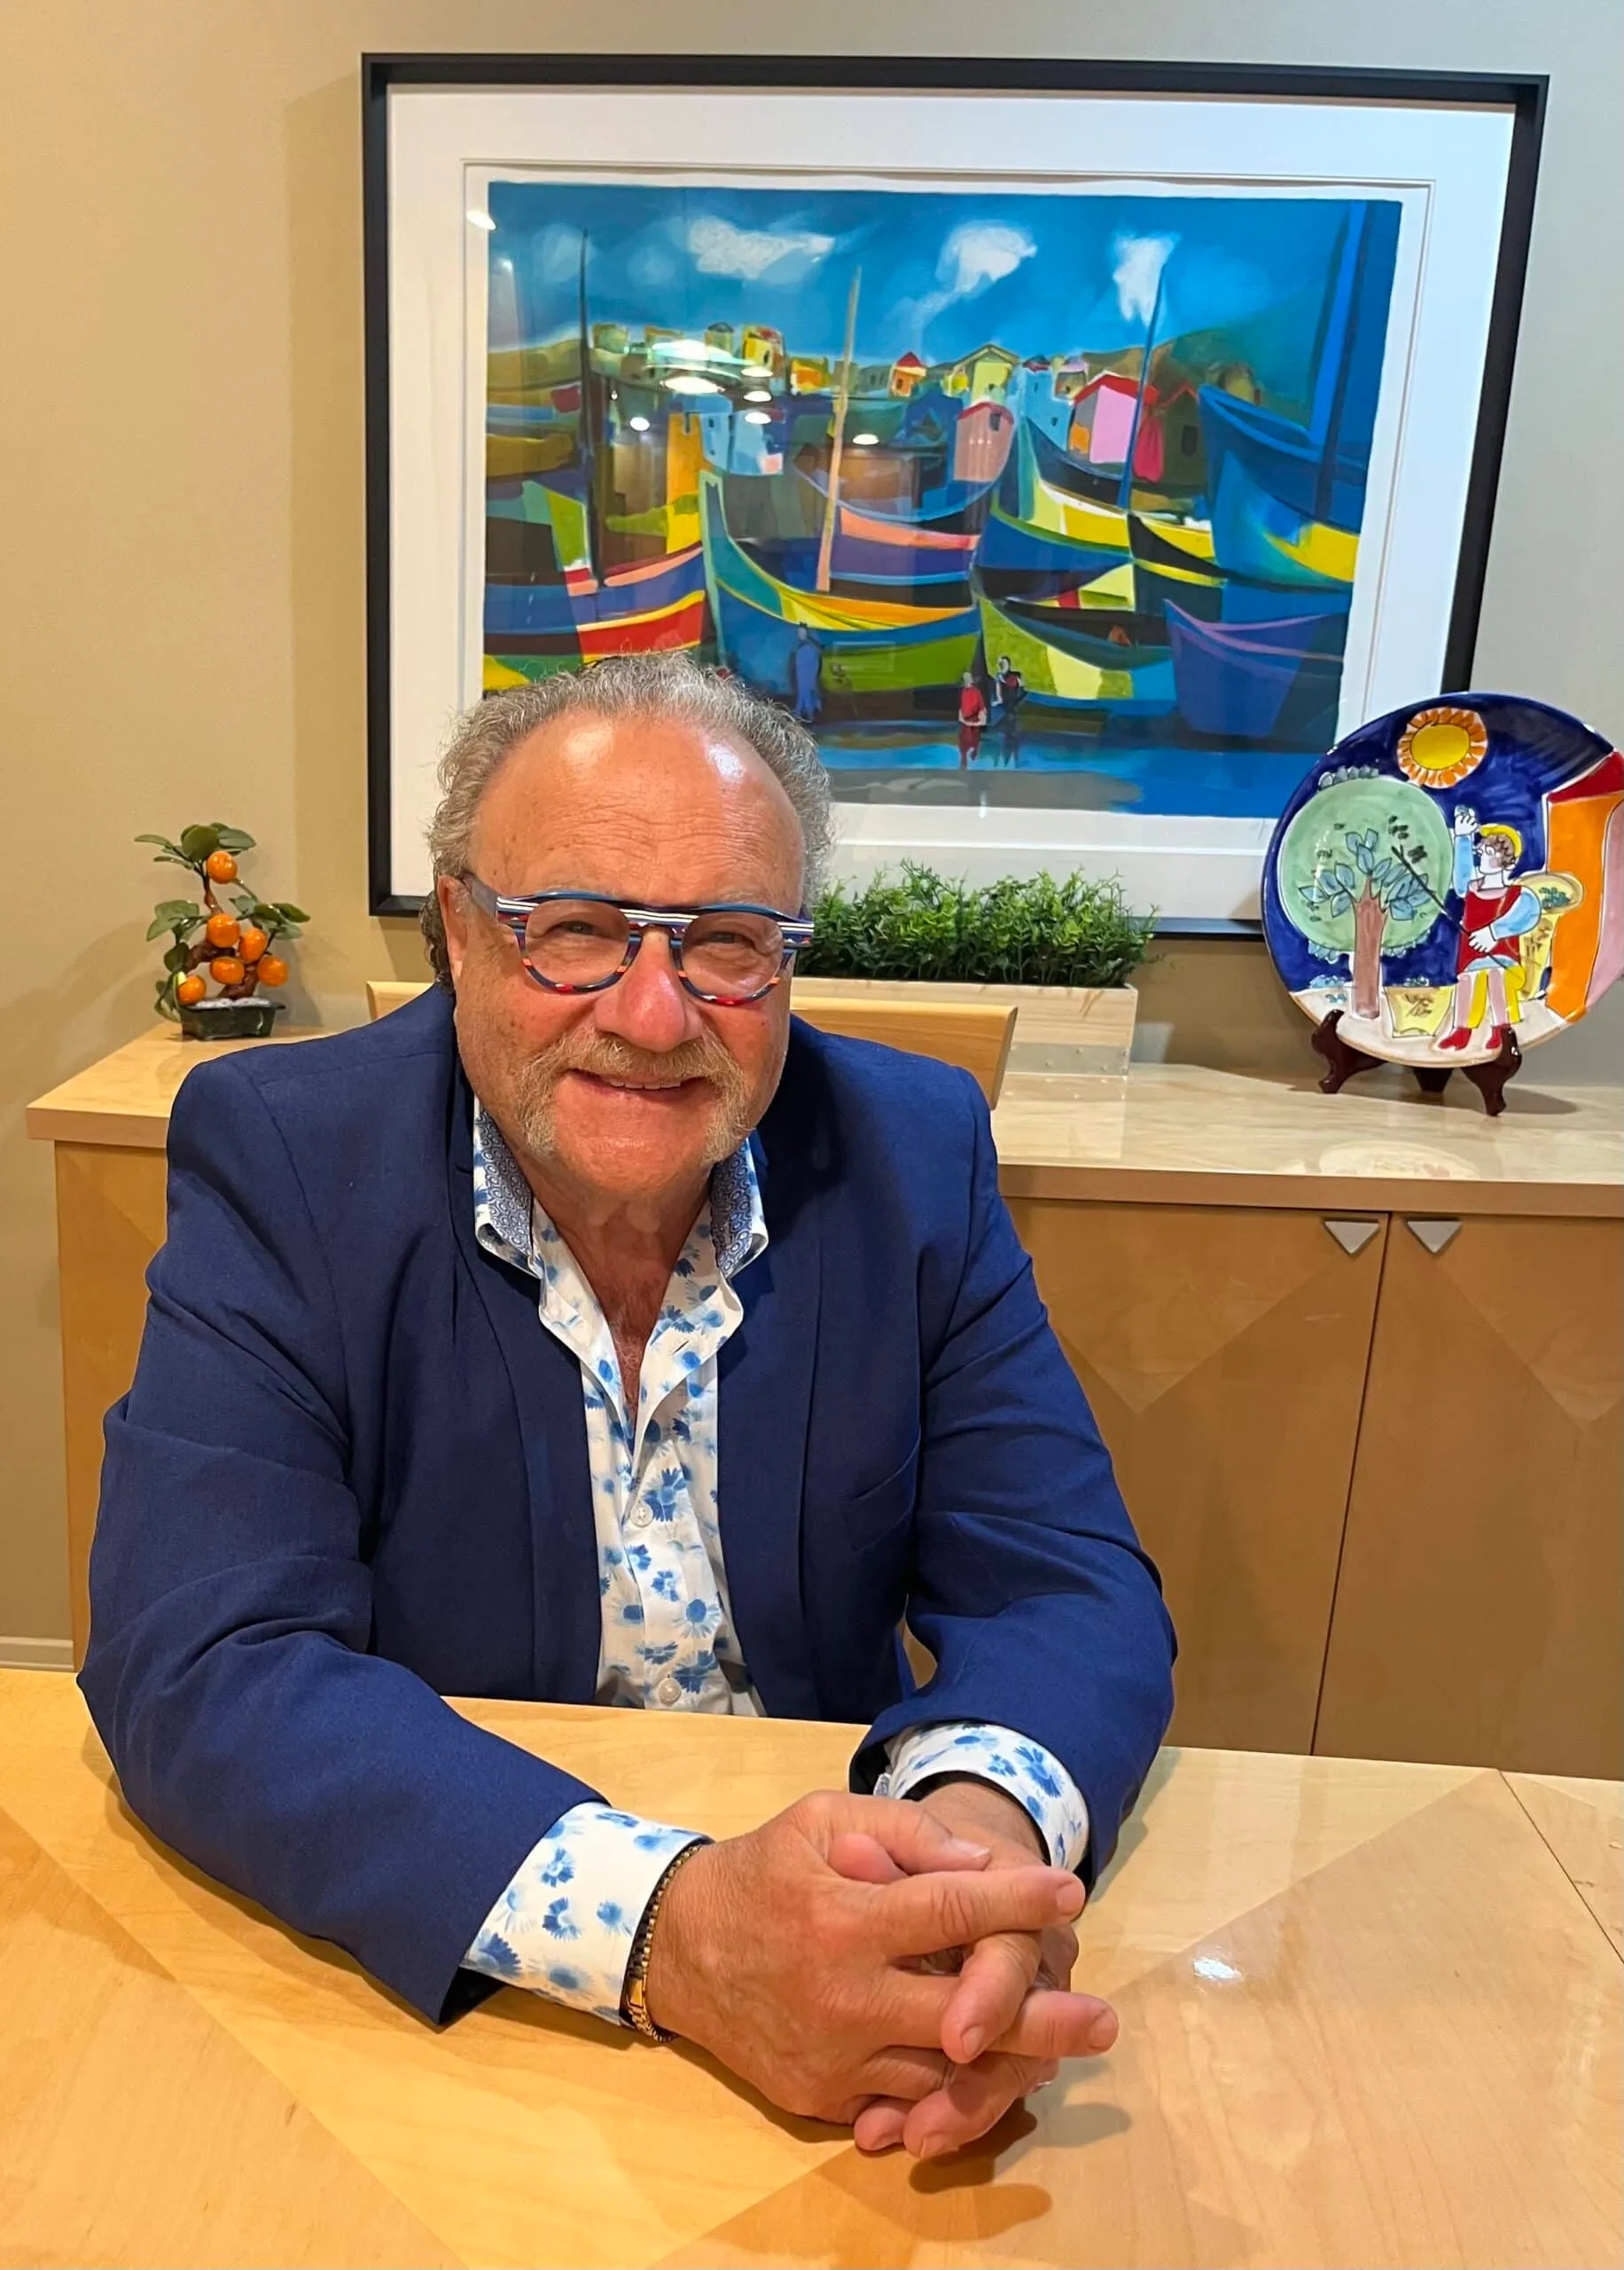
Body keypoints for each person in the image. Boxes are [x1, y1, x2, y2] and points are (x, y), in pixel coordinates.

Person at [82, 655, 1174, 2161]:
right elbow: (201, 1657)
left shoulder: (914, 1155)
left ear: (786, 963)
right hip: (471, 1977)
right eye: (576, 934)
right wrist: (673, 1931)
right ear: (462, 934)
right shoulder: (285, 1159)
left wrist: (967, 1860)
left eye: (727, 945)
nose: (655, 1017)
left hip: (845, 1946)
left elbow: (1063, 1581)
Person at [1437, 808, 1542, 1052]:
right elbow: (1460, 880)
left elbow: (1529, 912)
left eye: (1490, 853)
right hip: (1470, 954)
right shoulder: (1472, 887)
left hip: (1501, 955)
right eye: (1481, 851)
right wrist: (1462, 838)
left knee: (1496, 979)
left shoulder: (1517, 894)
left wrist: (1493, 932)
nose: (1482, 857)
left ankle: (1501, 1029)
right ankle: (1461, 1031)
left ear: (1508, 861)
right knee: (1466, 982)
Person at [995, 654, 1026, 766]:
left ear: (1008, 664)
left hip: (1012, 708)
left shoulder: (1015, 676)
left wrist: (1017, 703)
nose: (1002, 665)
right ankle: (1005, 759)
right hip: (1004, 709)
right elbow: (999, 695)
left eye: (1004, 663)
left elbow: (1022, 690)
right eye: (1001, 664)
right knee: (1004, 734)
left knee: (1011, 734)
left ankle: (1014, 759)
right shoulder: (999, 677)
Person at [791, 623, 823, 723]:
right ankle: (804, 714)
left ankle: (807, 715)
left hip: (808, 673)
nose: (800, 635)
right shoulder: (799, 647)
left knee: (807, 692)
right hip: (802, 673)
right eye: (799, 632)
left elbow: (819, 655)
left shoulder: (810, 646)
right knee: (803, 692)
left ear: (807, 633)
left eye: (803, 632)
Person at [957, 669, 988, 766]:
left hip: (974, 718)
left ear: (971, 680)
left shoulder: (976, 692)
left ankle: (975, 749)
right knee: (964, 738)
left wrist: (982, 714)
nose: (967, 680)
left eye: (968, 678)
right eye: (965, 678)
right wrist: (961, 717)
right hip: (965, 718)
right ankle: (964, 757)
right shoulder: (962, 692)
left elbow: (981, 705)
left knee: (975, 738)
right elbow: (960, 706)